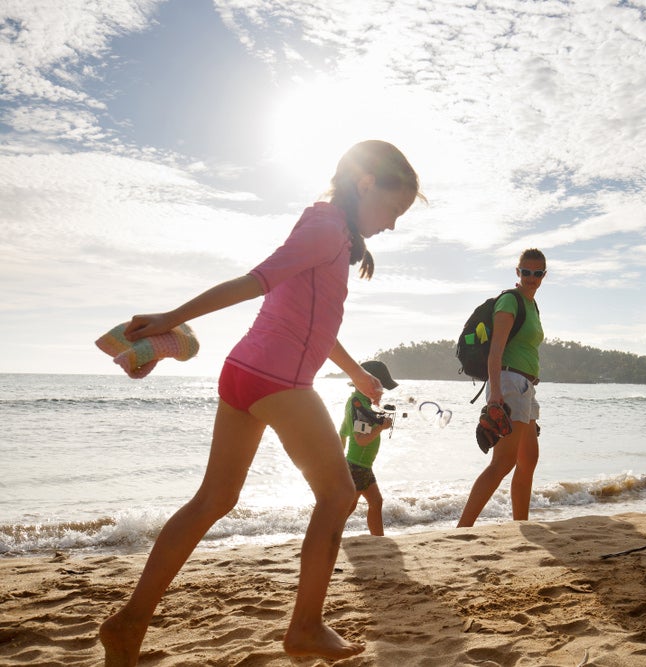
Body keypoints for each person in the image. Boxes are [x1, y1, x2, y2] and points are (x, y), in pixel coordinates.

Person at [99, 140, 422, 667]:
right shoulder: (324, 229)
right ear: (366, 184)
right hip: (279, 381)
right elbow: (254, 282)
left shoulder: (333, 235)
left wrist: (356, 372)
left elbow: (312, 321)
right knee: (340, 494)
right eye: (392, 209)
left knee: (214, 500)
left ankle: (130, 621)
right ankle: (306, 627)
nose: (391, 224)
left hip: (243, 374)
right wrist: (169, 318)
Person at [458, 249, 546, 527]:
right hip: (509, 384)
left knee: (528, 459)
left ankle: (521, 523)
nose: (532, 278)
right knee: (503, 463)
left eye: (538, 273)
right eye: (526, 272)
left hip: (525, 386)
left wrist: (532, 376)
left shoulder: (532, 306)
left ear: (544, 275)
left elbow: (524, 347)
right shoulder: (510, 301)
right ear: (517, 272)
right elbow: (496, 352)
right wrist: (495, 394)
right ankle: (463, 527)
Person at [340, 360, 399, 536]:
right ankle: (328, 534)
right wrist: (380, 427)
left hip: (361, 465)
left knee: (376, 502)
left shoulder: (360, 403)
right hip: (357, 465)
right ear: (368, 384)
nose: (382, 393)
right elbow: (360, 440)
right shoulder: (359, 405)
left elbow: (343, 432)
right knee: (349, 506)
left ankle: (378, 539)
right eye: (381, 389)